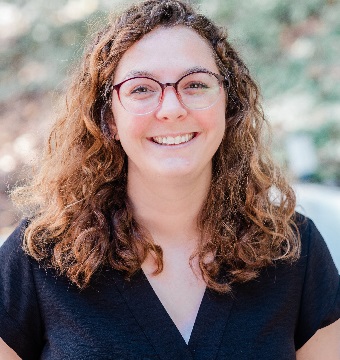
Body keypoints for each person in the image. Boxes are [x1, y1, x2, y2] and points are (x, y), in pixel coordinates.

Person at [0, 0, 339, 359]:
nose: (172, 108)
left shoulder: (294, 251)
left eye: (195, 84)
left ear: (228, 104)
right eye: (141, 88)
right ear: (109, 119)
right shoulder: (37, 258)